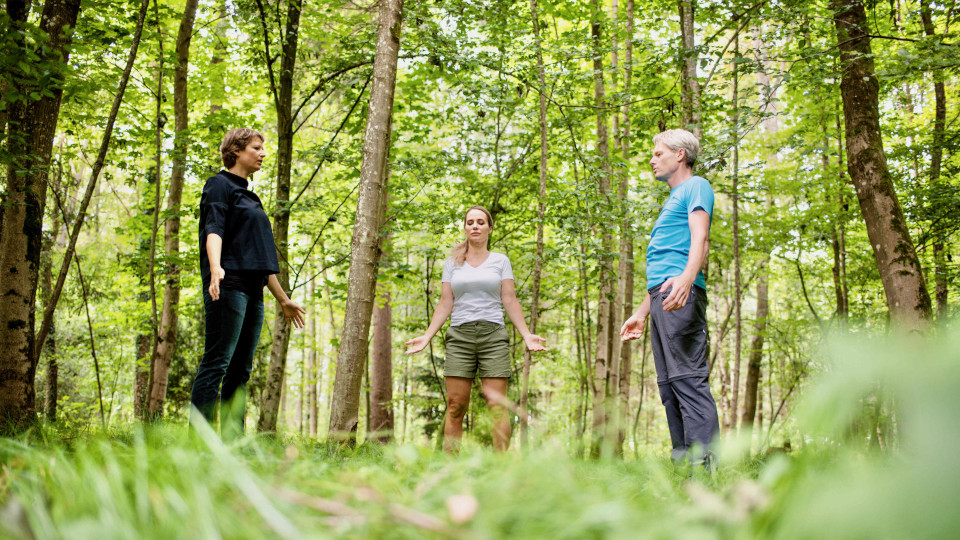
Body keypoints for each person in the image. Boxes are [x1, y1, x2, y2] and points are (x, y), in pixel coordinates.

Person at [190, 128, 306, 439]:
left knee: (240, 371)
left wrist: (283, 299)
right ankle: (199, 443)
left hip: (254, 293)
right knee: (217, 363)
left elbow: (261, 259)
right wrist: (215, 267)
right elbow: (213, 229)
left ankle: (233, 444)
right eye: (256, 148)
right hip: (228, 286)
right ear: (236, 151)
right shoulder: (219, 185)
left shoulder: (250, 197)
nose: (263, 154)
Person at [405, 206, 547, 452]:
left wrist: (526, 335)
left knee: (497, 405)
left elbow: (509, 299)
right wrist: (427, 336)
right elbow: (445, 302)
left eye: (480, 222)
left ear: (489, 228)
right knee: (455, 405)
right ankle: (451, 466)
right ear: (465, 228)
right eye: (470, 222)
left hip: (493, 337)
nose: (475, 226)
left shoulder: (500, 261)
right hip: (460, 337)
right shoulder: (452, 263)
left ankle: (500, 467)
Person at [620, 129, 720, 468]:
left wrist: (688, 278)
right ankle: (682, 468)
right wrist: (641, 313)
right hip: (663, 297)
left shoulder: (697, 186)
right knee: (669, 385)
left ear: (680, 155)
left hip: (682, 297)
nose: (652, 160)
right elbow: (664, 273)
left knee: (688, 380)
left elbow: (700, 238)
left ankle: (705, 471)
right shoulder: (673, 199)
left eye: (658, 153)